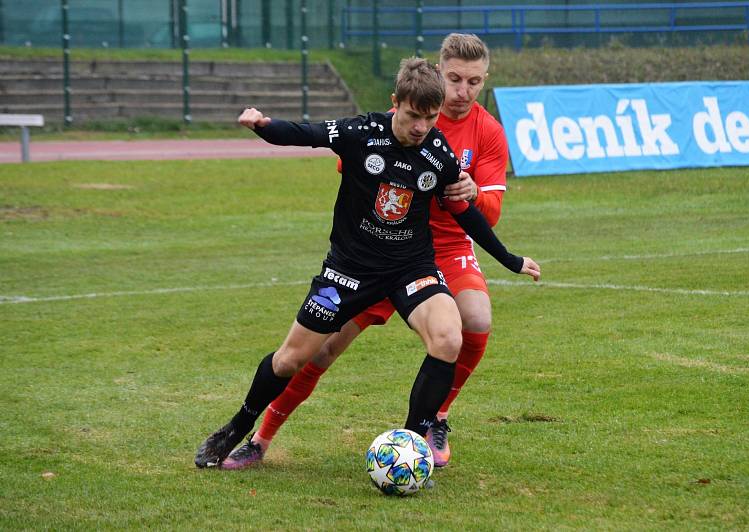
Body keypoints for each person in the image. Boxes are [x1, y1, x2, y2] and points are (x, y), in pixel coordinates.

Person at [194, 57, 540, 469]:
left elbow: (466, 213)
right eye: (413, 116)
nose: (420, 127)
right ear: (397, 103)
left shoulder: (437, 152)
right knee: (292, 358)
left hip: (411, 268)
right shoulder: (361, 132)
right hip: (349, 270)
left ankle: (412, 447)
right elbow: (304, 134)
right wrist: (262, 125)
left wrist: (510, 259)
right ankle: (236, 429)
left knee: (449, 337)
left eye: (429, 119)